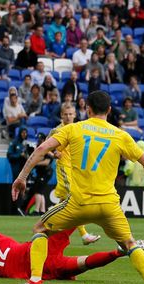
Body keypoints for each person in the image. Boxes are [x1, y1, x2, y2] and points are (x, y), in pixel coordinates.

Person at [9, 91, 144, 284]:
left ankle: (35, 281)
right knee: (129, 244)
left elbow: (43, 148)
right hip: (108, 206)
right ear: (109, 110)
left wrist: (22, 176)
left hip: (78, 204)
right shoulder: (120, 135)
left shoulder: (74, 129)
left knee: (39, 229)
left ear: (87, 109)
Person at [0, 228, 144, 280]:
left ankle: (119, 251)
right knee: (70, 217)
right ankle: (124, 239)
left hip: (44, 267)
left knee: (84, 263)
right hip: (37, 248)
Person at [49, 103, 101, 245]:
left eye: (70, 114)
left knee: (64, 202)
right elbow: (45, 147)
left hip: (76, 168)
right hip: (63, 168)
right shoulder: (56, 130)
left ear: (75, 115)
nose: (68, 116)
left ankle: (45, 225)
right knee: (74, 197)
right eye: (65, 114)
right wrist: (54, 153)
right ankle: (84, 235)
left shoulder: (79, 128)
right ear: (61, 115)